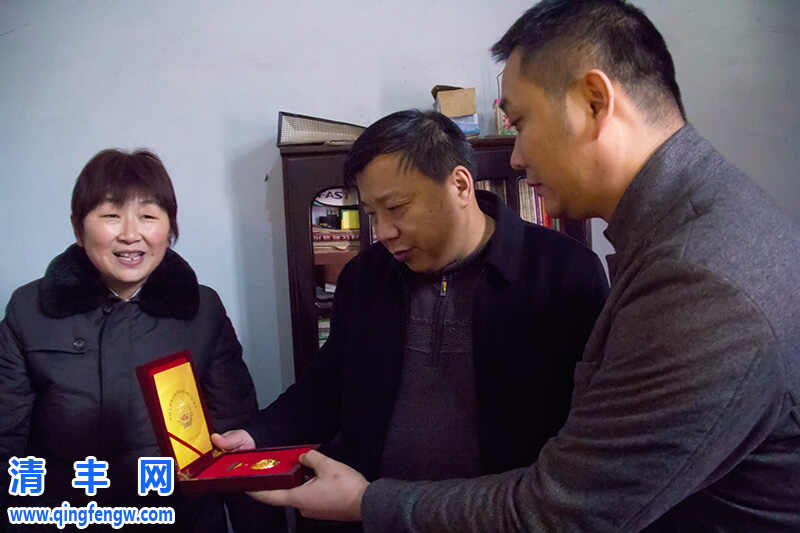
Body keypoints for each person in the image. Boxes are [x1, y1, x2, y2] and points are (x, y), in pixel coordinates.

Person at [247, 1, 800, 531]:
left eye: (521, 121)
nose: (515, 155)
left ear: (594, 102)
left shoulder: (695, 282)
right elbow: (327, 386)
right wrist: (259, 438)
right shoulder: (698, 229)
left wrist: (369, 503)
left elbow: (566, 510)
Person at [214, 110, 609, 530]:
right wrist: (257, 435)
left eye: (396, 208)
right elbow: (327, 385)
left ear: (460, 185)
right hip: (371, 515)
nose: (383, 232)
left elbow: (589, 430)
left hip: (499, 519)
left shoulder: (563, 273)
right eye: (372, 213)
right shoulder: (365, 276)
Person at [0, 149, 264, 532]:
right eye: (111, 215)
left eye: (148, 216)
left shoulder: (202, 309)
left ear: (169, 228)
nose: (129, 234)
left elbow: (236, 435)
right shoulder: (29, 309)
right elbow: (6, 439)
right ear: (78, 228)